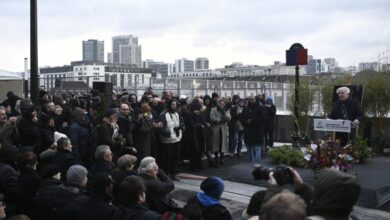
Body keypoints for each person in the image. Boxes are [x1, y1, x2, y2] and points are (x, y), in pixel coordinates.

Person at [159, 99, 183, 180]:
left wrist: (181, 127)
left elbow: (181, 122)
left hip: (176, 138)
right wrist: (166, 132)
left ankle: (173, 173)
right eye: (173, 104)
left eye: (175, 104)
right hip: (167, 140)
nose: (174, 106)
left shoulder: (177, 113)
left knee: (175, 158)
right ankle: (166, 174)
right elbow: (160, 127)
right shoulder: (163, 114)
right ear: (169, 105)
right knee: (167, 158)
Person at [240, 97, 265, 163]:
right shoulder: (245, 109)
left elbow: (262, 118)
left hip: (257, 131)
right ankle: (251, 163)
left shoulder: (260, 108)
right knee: (249, 148)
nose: (252, 101)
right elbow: (242, 118)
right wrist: (246, 122)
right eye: (250, 100)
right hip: (248, 131)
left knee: (257, 148)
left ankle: (257, 164)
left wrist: (252, 120)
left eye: (253, 100)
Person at [210, 100, 231, 165]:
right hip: (216, 128)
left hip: (223, 128)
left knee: (223, 144)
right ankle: (216, 158)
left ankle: (221, 158)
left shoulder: (226, 110)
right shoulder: (214, 109)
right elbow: (212, 117)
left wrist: (224, 114)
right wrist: (219, 119)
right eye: (220, 104)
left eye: (223, 104)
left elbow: (229, 118)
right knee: (216, 143)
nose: (221, 105)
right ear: (218, 103)